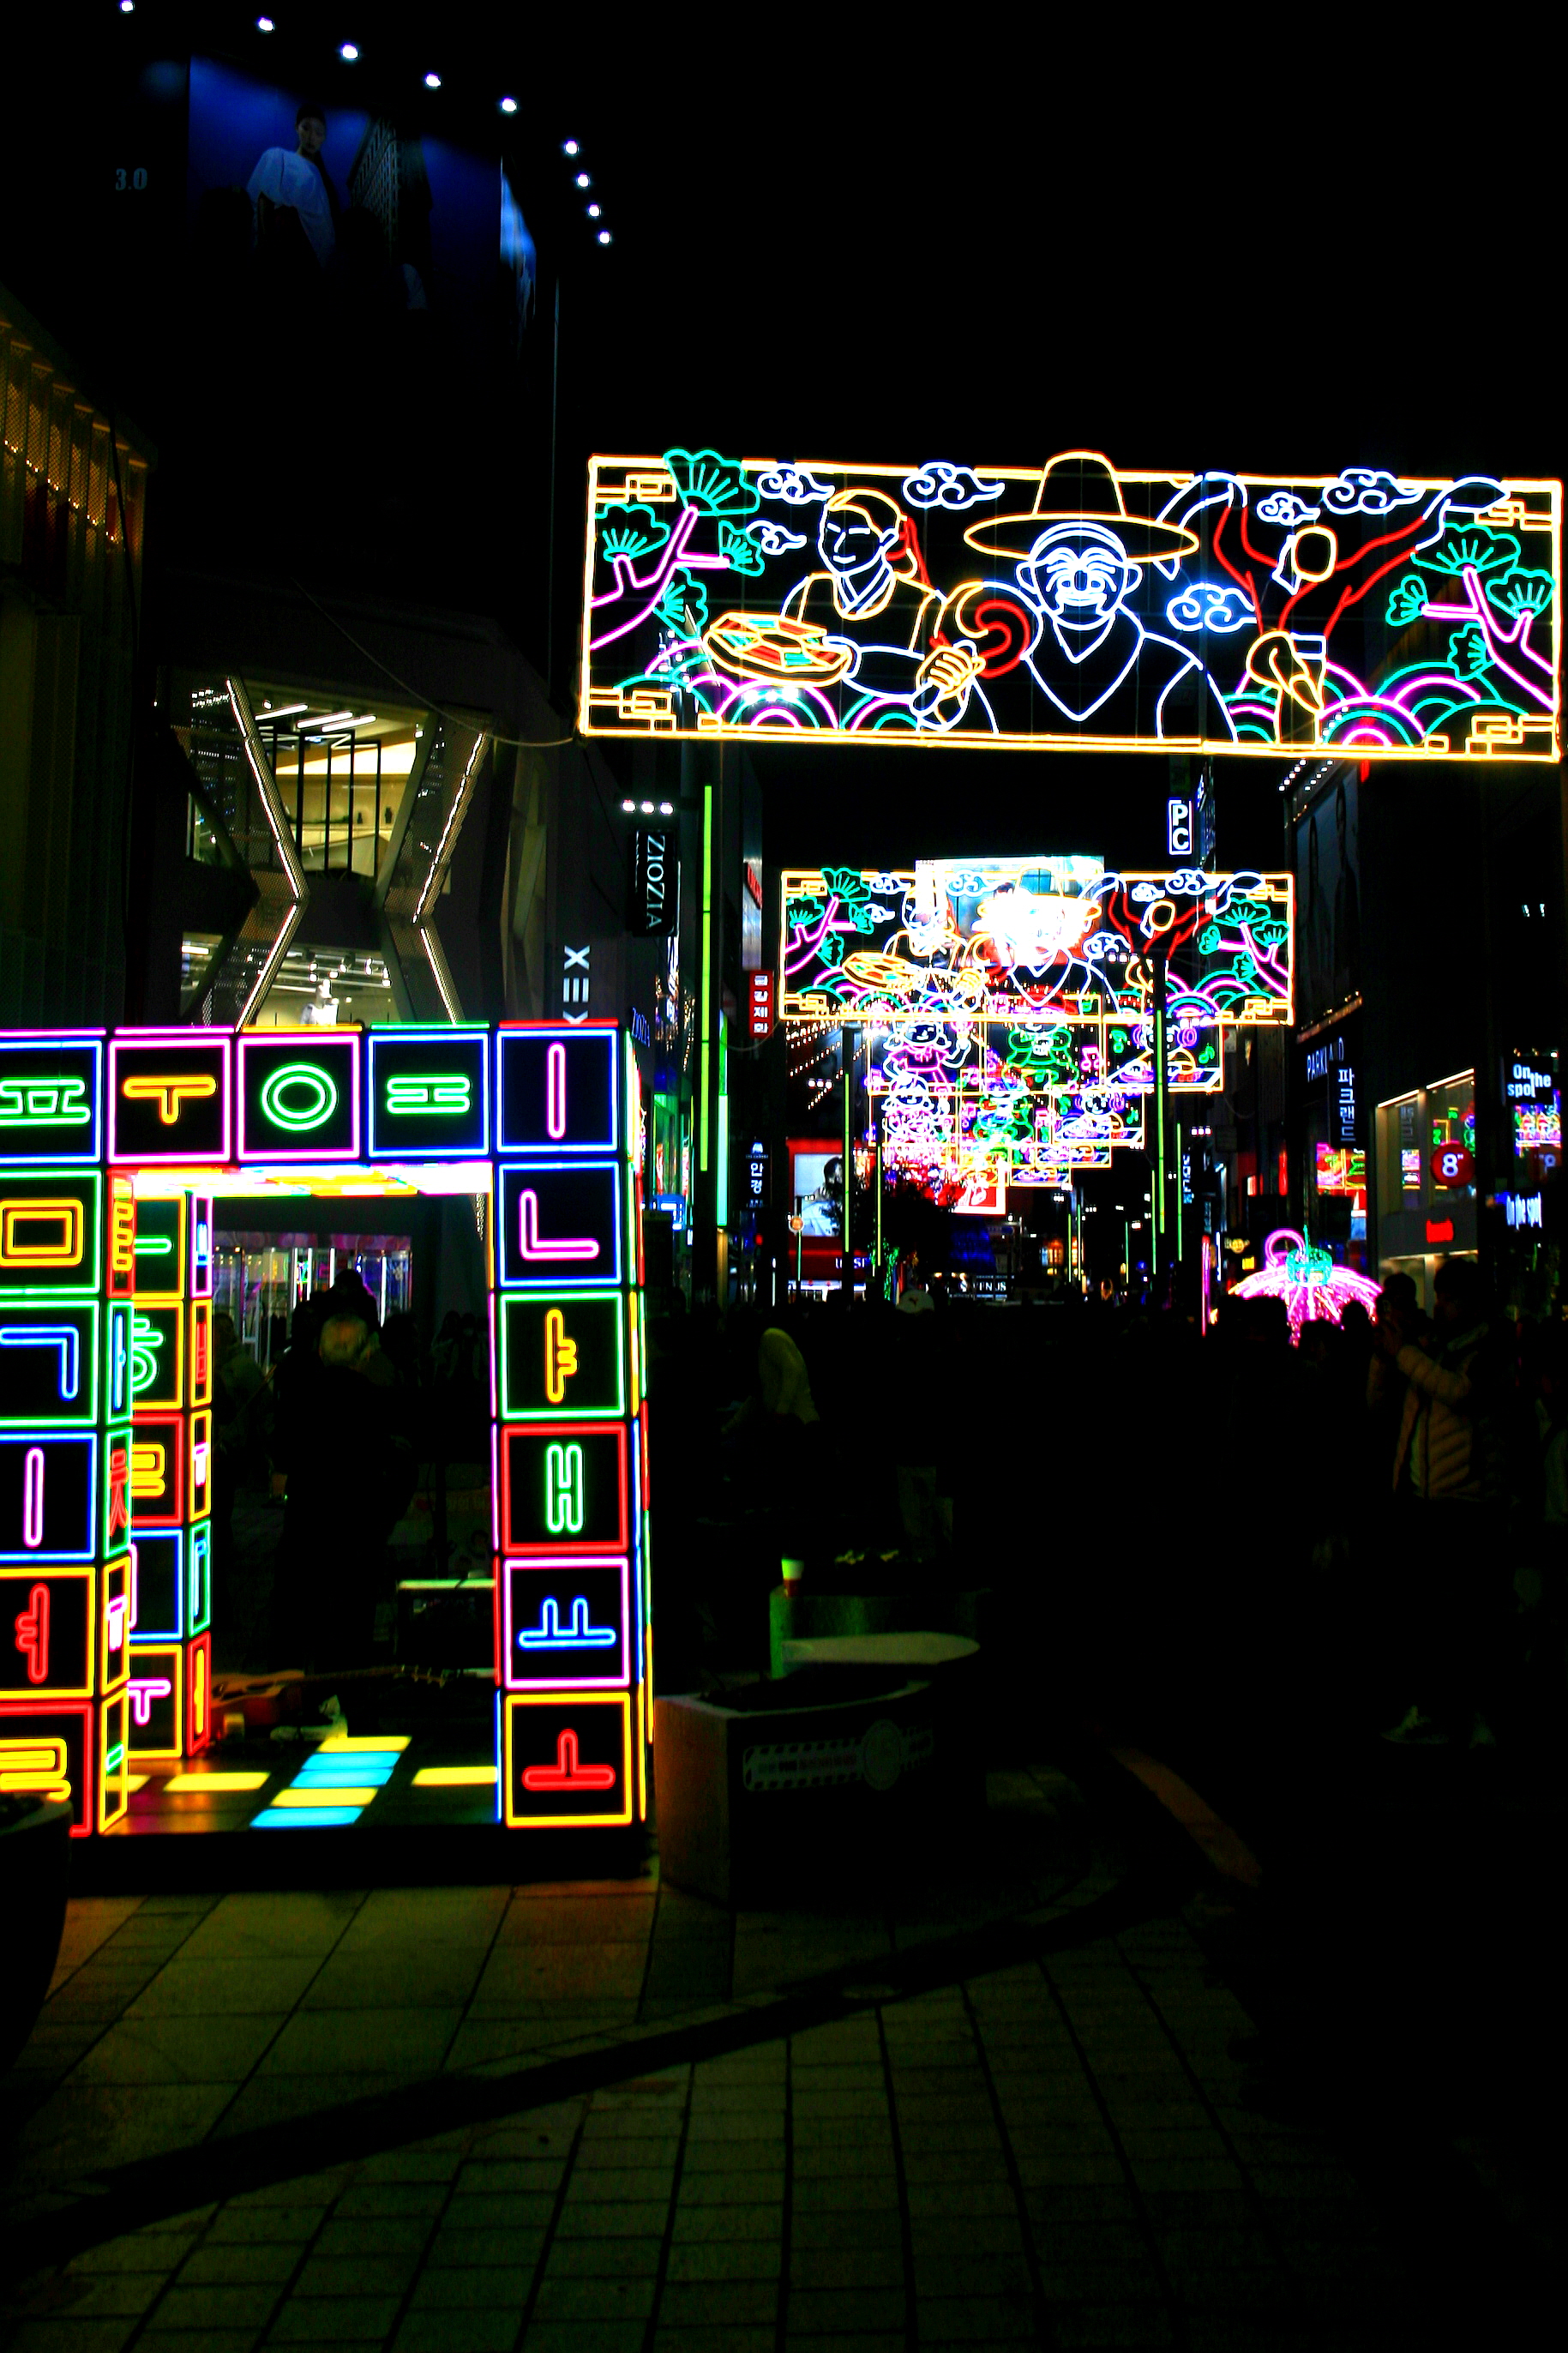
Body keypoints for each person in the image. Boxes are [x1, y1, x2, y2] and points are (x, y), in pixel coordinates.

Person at [946, 452, 1235, 741]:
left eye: (1100, 565)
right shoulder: (994, 663)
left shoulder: (1171, 666)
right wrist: (946, 696)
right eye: (1059, 564)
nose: (1080, 582)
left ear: (1129, 579)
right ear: (1029, 577)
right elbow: (951, 737)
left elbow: (1219, 754)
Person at [1374, 1257, 1505, 1744]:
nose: (1441, 1306)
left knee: (1464, 1616)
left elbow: (1458, 1392)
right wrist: (1387, 1355)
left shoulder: (1486, 1350)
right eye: (1440, 1297)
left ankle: (1475, 1712)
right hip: (1422, 1495)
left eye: (1449, 1299)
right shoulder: (1434, 1345)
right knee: (1427, 1617)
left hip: (1463, 1500)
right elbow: (1380, 1403)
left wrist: (1406, 1353)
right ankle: (1433, 1708)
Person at [247, 101, 339, 269]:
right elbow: (265, 198)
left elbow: (325, 229)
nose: (311, 137)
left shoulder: (322, 180)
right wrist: (266, 245)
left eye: (318, 133)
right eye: (306, 128)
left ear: (324, 137)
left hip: (308, 258)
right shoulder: (279, 156)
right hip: (278, 244)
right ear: (297, 127)